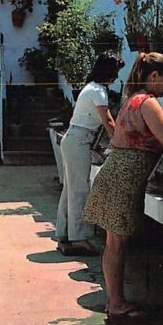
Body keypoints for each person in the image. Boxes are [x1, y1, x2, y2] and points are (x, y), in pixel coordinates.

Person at [82, 52, 163, 318]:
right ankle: (117, 304)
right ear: (153, 76)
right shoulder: (148, 102)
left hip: (116, 173)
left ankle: (114, 302)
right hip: (124, 177)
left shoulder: (132, 98)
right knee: (116, 244)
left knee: (113, 244)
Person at [55, 51, 124, 257]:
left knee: (71, 188)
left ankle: (64, 233)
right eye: (116, 72)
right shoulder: (98, 91)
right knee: (79, 190)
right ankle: (78, 238)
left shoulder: (91, 88)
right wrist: (121, 142)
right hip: (79, 141)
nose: (117, 77)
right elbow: (109, 121)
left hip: (73, 139)